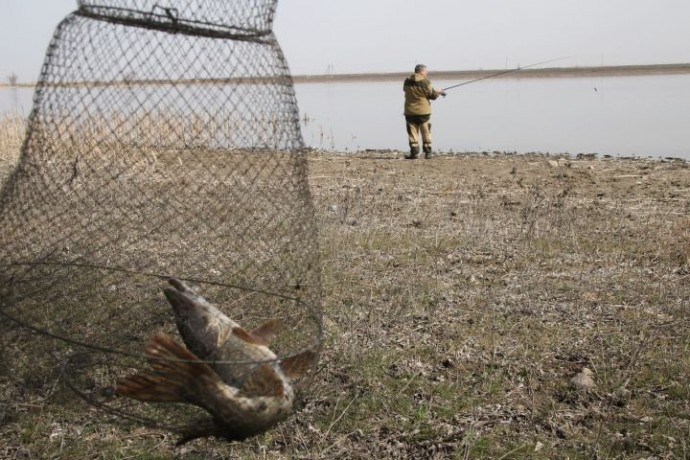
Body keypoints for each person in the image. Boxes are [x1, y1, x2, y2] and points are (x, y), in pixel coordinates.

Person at [403, 64, 445, 159]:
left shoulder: (407, 80)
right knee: (426, 132)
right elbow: (432, 96)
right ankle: (428, 153)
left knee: (412, 132)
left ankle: (414, 153)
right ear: (421, 71)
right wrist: (438, 92)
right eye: (426, 71)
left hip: (409, 111)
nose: (427, 73)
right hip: (423, 112)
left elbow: (405, 90)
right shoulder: (426, 81)